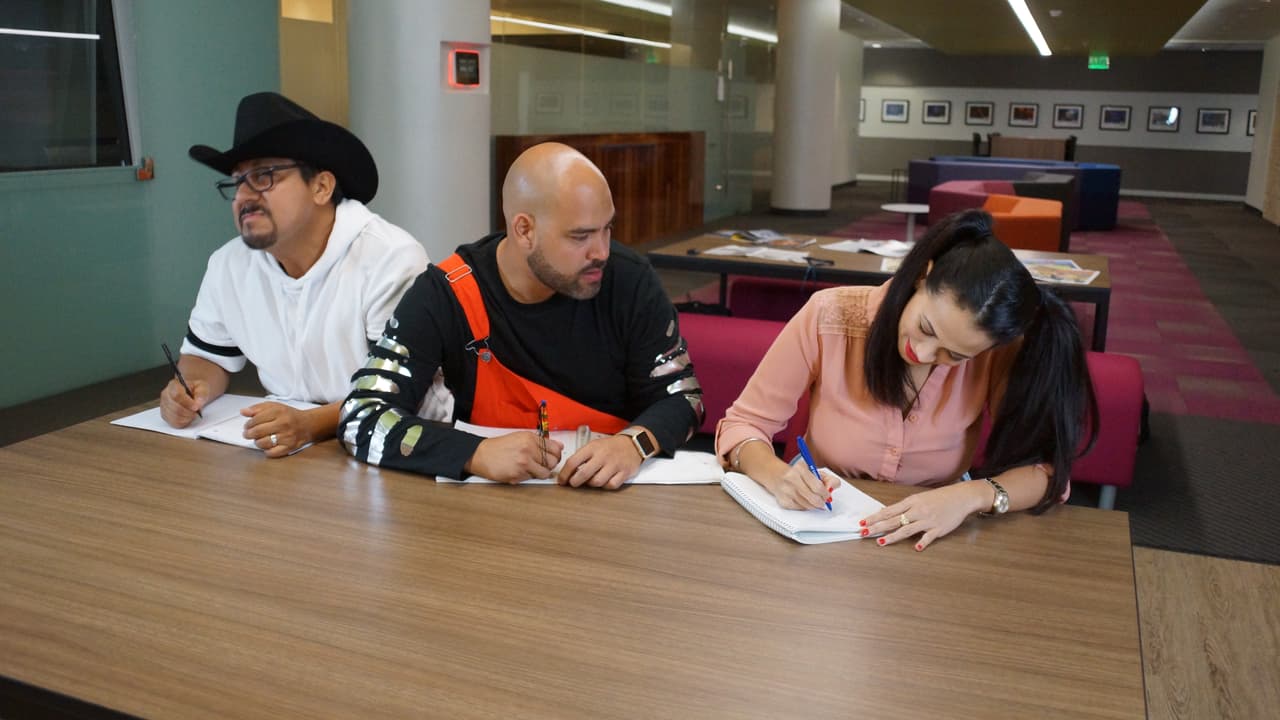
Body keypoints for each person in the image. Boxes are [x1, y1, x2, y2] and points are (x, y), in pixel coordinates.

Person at [716, 209, 1097, 550]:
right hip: (822, 519)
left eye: (955, 356)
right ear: (922, 276)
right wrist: (777, 475)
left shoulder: (995, 352)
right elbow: (744, 424)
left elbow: (1048, 474)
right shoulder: (829, 317)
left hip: (937, 527)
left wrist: (970, 496)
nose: (926, 353)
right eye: (926, 327)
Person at [339, 142, 703, 487]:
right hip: (489, 514)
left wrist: (632, 446)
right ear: (524, 230)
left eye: (607, 228)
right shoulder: (449, 293)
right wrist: (474, 454)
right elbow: (362, 415)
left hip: (615, 500)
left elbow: (684, 399)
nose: (602, 252)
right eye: (580, 237)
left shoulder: (630, 282)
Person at [159, 91, 431, 457]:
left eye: (264, 176)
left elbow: (400, 390)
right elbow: (206, 356)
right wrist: (189, 389)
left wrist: (308, 425)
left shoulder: (389, 259)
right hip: (288, 446)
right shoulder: (229, 264)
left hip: (396, 444)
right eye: (237, 182)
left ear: (321, 187)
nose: (243, 195)